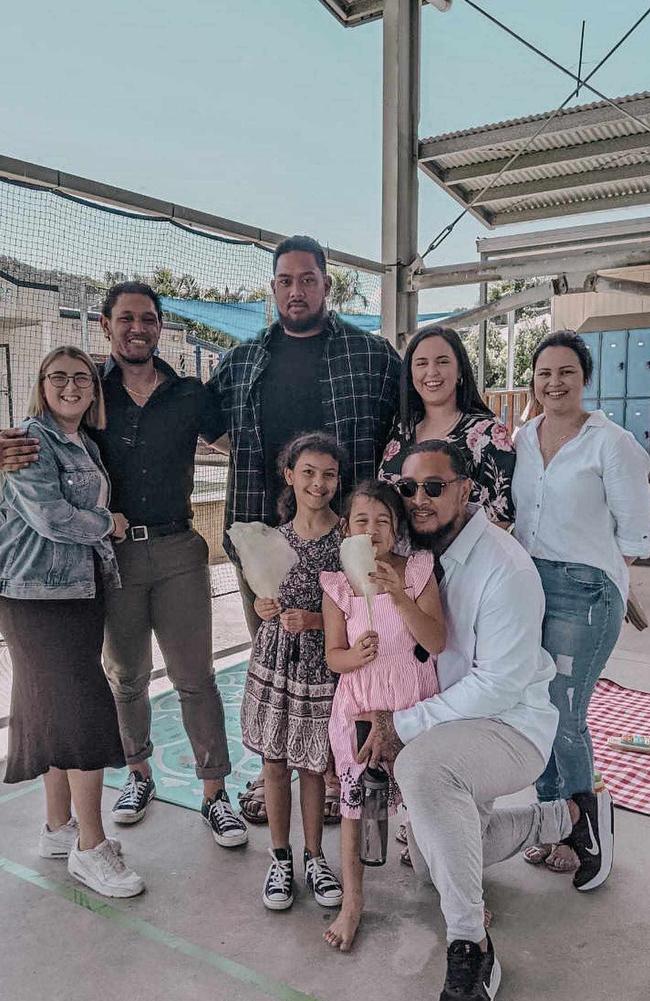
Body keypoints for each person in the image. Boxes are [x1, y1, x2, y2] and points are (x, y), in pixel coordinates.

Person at [357, 440, 615, 1001]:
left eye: (434, 487)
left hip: (512, 725)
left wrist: (402, 725)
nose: (418, 500)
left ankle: (471, 947)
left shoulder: (504, 567)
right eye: (408, 488)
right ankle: (568, 817)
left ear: (466, 491)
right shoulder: (415, 560)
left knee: (423, 771)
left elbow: (498, 684)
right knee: (434, 864)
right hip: (455, 723)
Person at [0, 282, 248, 849]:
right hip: (110, 558)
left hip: (181, 549)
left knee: (195, 678)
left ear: (160, 326)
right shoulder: (89, 392)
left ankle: (215, 794)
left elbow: (241, 443)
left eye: (149, 319)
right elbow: (36, 441)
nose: (138, 327)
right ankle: (138, 775)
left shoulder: (189, 393)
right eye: (126, 318)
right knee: (127, 678)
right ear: (106, 326)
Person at [208, 234, 401, 825]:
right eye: (286, 281)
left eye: (308, 279)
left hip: (350, 544)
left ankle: (355, 780)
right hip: (266, 542)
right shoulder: (241, 362)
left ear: (326, 284)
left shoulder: (371, 357)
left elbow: (409, 424)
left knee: (352, 660)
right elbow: (205, 426)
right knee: (279, 663)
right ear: (273, 288)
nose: (297, 290)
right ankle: (279, 783)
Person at [0, 346, 144, 898]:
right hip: (39, 596)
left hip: (76, 592)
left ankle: (58, 829)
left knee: (49, 708)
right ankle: (90, 848)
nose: (70, 385)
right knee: (86, 711)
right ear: (41, 384)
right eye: (57, 377)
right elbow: (52, 518)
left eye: (80, 377)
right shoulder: (28, 441)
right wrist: (109, 523)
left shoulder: (81, 440)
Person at [512, 330, 650, 875]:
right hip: (528, 590)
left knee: (566, 716)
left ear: (585, 378)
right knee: (536, 710)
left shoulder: (610, 443)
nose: (554, 382)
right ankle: (551, 820)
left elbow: (638, 535)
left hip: (585, 593)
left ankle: (588, 831)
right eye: (544, 373)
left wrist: (596, 573)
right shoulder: (523, 438)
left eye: (566, 372)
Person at [320, 480, 445, 952]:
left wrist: (398, 597)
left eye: (382, 521)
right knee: (359, 809)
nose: (372, 531)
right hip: (360, 706)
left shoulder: (416, 571)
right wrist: (354, 656)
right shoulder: (338, 584)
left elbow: (434, 642)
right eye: (361, 521)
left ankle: (453, 888)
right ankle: (353, 903)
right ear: (346, 530)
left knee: (429, 801)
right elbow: (334, 657)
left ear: (397, 528)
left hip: (415, 705)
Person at [241, 433, 345, 911]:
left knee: (313, 765)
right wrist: (265, 607)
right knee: (274, 762)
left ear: (338, 480)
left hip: (321, 665)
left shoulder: (347, 538)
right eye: (308, 472)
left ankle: (314, 856)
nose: (317, 483)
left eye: (328, 474)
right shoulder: (270, 538)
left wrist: (316, 621)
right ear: (289, 475)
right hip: (275, 662)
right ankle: (279, 858)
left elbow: (364, 610)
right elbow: (266, 601)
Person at [379, 326, 515, 526]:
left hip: (460, 555)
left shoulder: (488, 434)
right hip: (395, 555)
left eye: (442, 362)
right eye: (421, 363)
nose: (431, 372)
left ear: (460, 369)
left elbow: (501, 518)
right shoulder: (400, 428)